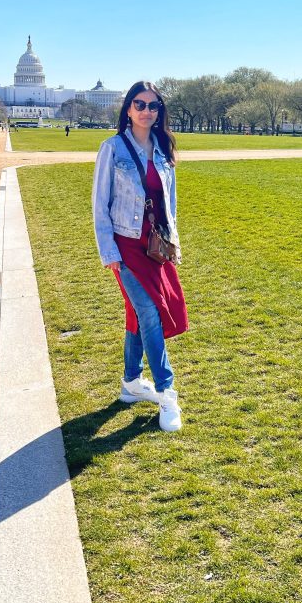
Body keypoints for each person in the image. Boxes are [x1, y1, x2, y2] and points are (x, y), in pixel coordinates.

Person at [92, 81, 188, 432]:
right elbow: (99, 204)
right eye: (140, 104)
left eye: (153, 105)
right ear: (128, 109)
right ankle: (166, 392)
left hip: (154, 247)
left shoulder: (163, 149)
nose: (147, 111)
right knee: (150, 313)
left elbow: (169, 204)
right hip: (126, 245)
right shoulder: (112, 147)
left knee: (138, 311)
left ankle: (131, 383)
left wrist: (172, 243)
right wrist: (109, 252)